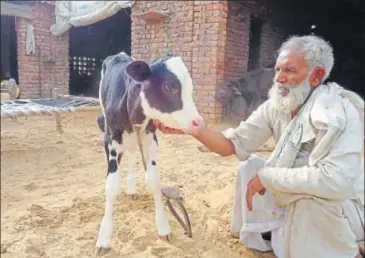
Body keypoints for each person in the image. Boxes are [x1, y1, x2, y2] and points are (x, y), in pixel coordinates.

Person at [154, 35, 364, 258]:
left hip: (342, 206)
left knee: (307, 202)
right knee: (250, 167)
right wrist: (194, 129)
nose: (279, 79)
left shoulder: (335, 112)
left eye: (290, 71)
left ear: (317, 76)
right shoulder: (277, 107)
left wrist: (268, 177)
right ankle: (265, 239)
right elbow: (231, 145)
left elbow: (335, 183)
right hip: (297, 194)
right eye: (277, 70)